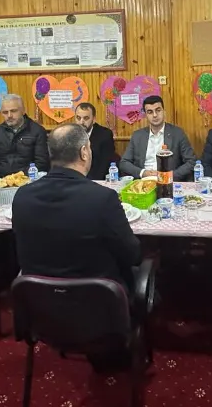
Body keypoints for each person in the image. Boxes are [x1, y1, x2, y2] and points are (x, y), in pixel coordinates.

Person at [13, 124, 142, 292]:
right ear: (84, 152)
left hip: (38, 297)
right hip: (95, 296)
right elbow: (132, 255)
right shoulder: (103, 199)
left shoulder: (22, 196)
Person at [119, 95, 196, 181]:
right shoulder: (137, 136)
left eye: (158, 110)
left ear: (164, 112)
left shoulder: (177, 133)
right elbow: (124, 163)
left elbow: (191, 161)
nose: (155, 115)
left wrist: (169, 176)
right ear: (146, 115)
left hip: (169, 181)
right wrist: (143, 172)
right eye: (150, 112)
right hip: (144, 182)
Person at [0, 93, 49, 176]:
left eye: (13, 111)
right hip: (1, 179)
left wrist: (19, 178)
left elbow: (42, 163)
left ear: (23, 111)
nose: (9, 116)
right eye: (5, 112)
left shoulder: (37, 131)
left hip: (29, 178)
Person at [74, 102, 115, 181]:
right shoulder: (70, 133)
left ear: (94, 119)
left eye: (86, 118)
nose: (81, 122)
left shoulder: (105, 135)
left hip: (95, 179)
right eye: (78, 118)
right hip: (74, 178)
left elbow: (104, 165)